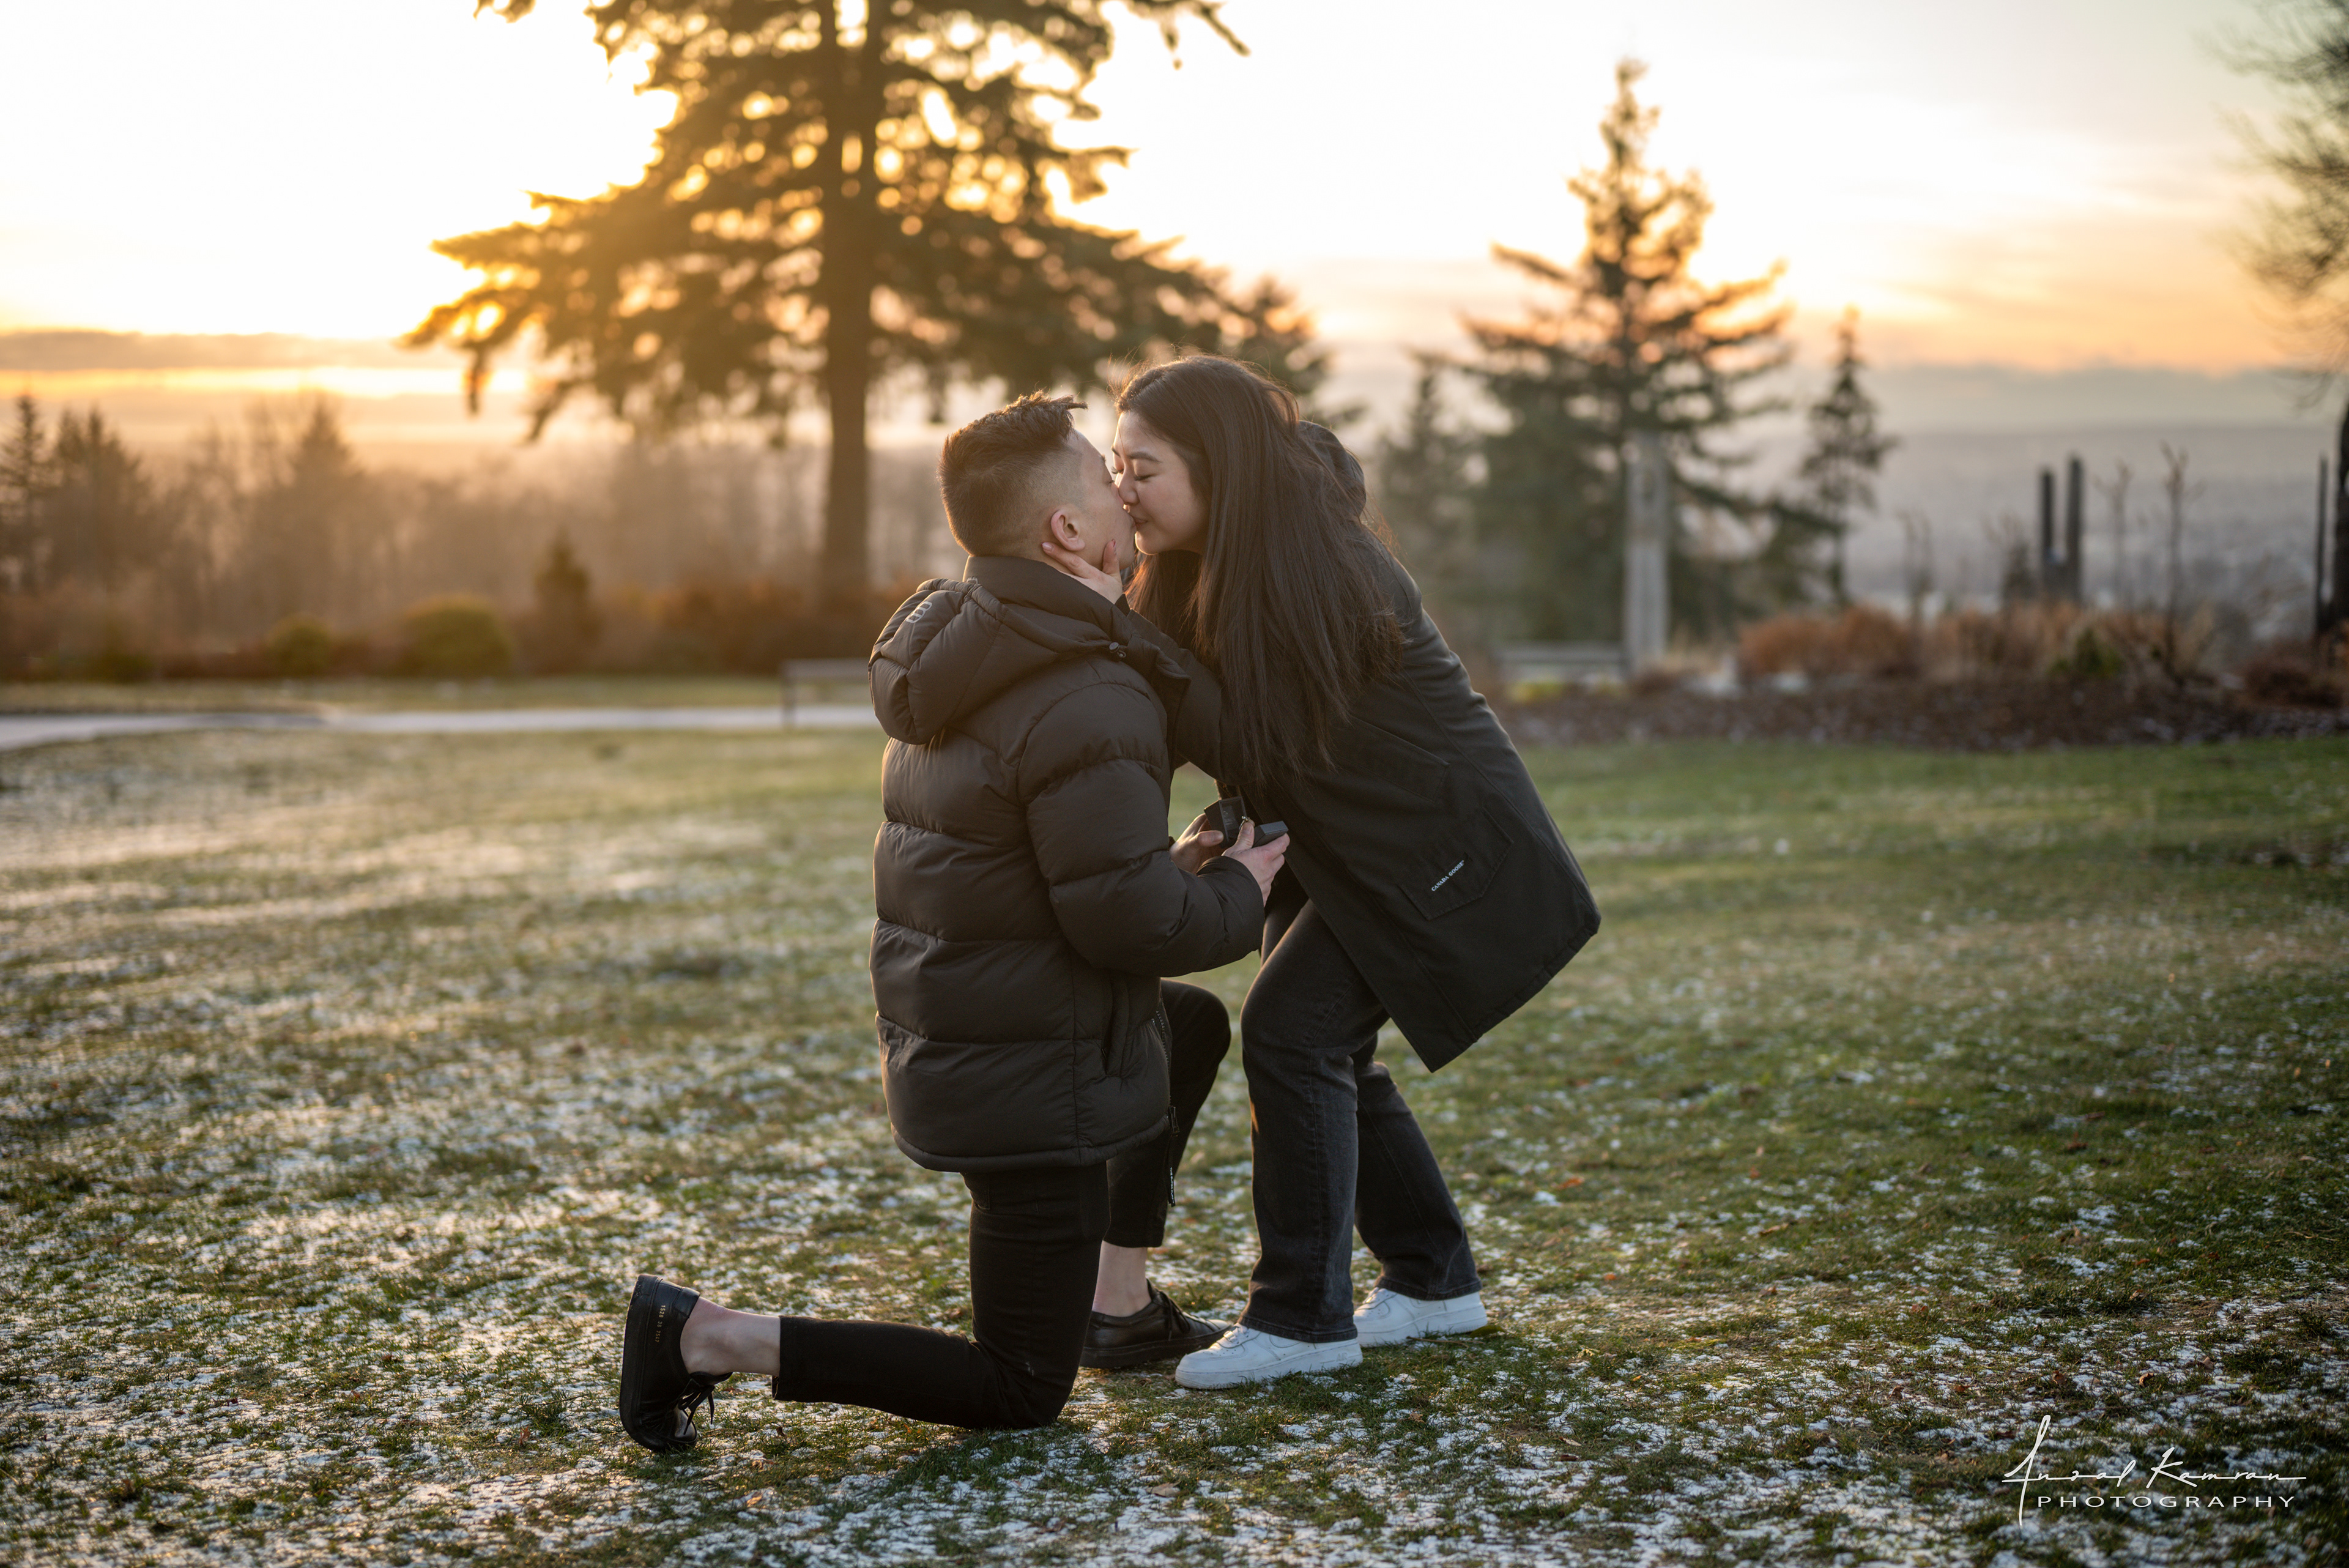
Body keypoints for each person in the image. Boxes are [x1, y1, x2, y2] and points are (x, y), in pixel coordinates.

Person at [617, 392, 1286, 1450]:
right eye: (1099, 480)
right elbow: (1131, 929)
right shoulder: (1085, 691)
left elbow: (1034, 866)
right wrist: (1239, 888)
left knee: (1187, 1028)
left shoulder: (973, 649)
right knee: (1021, 1388)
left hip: (973, 1031)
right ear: (1067, 533)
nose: (1123, 492)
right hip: (1027, 1081)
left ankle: (1118, 1308)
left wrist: (1171, 863)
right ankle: (704, 1337)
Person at [1043, 354, 1601, 1389]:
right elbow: (1171, 726)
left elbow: (1256, 726)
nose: (1124, 488)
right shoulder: (1199, 567)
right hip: (1350, 855)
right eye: (1117, 466)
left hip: (1441, 855)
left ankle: (1301, 1316)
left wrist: (1117, 626)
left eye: (1145, 467)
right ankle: (1433, 1279)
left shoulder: (1324, 567)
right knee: (1327, 1048)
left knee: (1294, 1033)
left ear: (1223, 469)